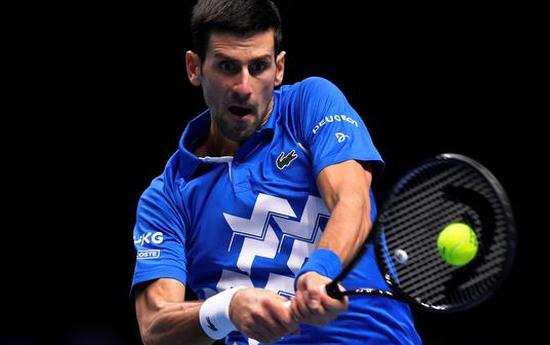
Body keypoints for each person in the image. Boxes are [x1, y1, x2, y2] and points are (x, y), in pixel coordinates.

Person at [131, 0, 422, 344]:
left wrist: (321, 271)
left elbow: (352, 199)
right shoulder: (166, 197)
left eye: (258, 67)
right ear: (194, 68)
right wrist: (227, 308)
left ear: (279, 68)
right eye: (227, 66)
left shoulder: (309, 104)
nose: (244, 86)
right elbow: (155, 326)